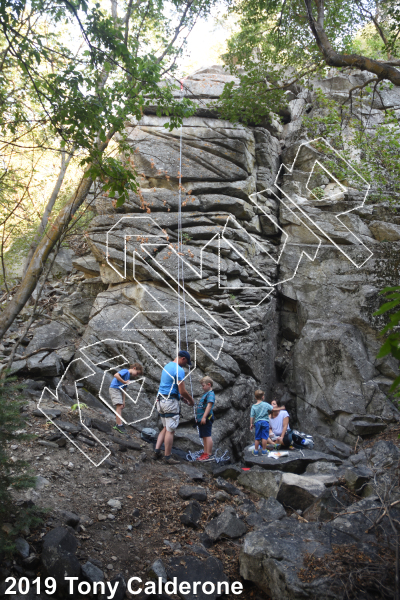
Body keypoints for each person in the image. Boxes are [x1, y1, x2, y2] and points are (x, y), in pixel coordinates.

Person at [154, 350, 194, 464]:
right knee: (170, 431)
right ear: (183, 359)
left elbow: (169, 387)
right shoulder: (179, 370)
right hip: (170, 403)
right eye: (186, 363)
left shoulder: (167, 366)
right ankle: (167, 457)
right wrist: (191, 400)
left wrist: (181, 398)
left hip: (160, 400)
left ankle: (157, 451)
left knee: (166, 427)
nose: (185, 365)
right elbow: (182, 390)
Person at [109, 363, 143, 434]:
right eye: (137, 373)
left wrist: (123, 401)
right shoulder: (125, 371)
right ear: (134, 368)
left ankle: (118, 424)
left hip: (118, 390)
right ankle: (119, 425)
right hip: (114, 388)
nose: (136, 375)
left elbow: (124, 388)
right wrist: (124, 381)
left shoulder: (128, 376)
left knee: (121, 406)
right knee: (119, 406)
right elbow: (116, 375)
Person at [250, 390, 286, 456]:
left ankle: (255, 451)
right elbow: (273, 409)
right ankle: (264, 451)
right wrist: (280, 408)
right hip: (265, 422)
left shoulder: (253, 406)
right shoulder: (266, 404)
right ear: (263, 397)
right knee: (264, 437)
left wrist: (251, 424)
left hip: (257, 422)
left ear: (255, 397)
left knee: (257, 437)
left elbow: (252, 416)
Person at [195, 376, 215, 462]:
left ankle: (209, 453)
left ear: (209, 384)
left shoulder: (210, 394)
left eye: (203, 386)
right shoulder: (206, 394)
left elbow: (209, 405)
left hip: (206, 418)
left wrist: (204, 417)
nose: (202, 387)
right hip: (201, 420)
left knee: (207, 435)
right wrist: (199, 418)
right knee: (203, 436)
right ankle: (205, 452)